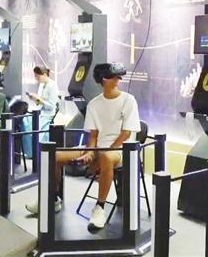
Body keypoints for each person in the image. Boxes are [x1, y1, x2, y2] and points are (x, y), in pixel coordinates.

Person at [25, 62, 140, 231]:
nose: (118, 80)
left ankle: (99, 207)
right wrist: (90, 153)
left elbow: (126, 133)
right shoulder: (94, 104)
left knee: (107, 157)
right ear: (103, 80)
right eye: (113, 77)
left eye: (118, 77)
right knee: (55, 156)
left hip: (120, 150)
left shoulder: (128, 100)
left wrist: (103, 152)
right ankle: (52, 199)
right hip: (98, 148)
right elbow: (93, 136)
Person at [24, 66, 59, 152]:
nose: (36, 78)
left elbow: (51, 106)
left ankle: (34, 151)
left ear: (44, 74)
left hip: (47, 115)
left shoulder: (53, 86)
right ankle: (29, 150)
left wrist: (39, 99)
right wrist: (34, 99)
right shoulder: (41, 85)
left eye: (38, 76)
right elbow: (39, 102)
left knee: (32, 128)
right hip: (40, 113)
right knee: (25, 121)